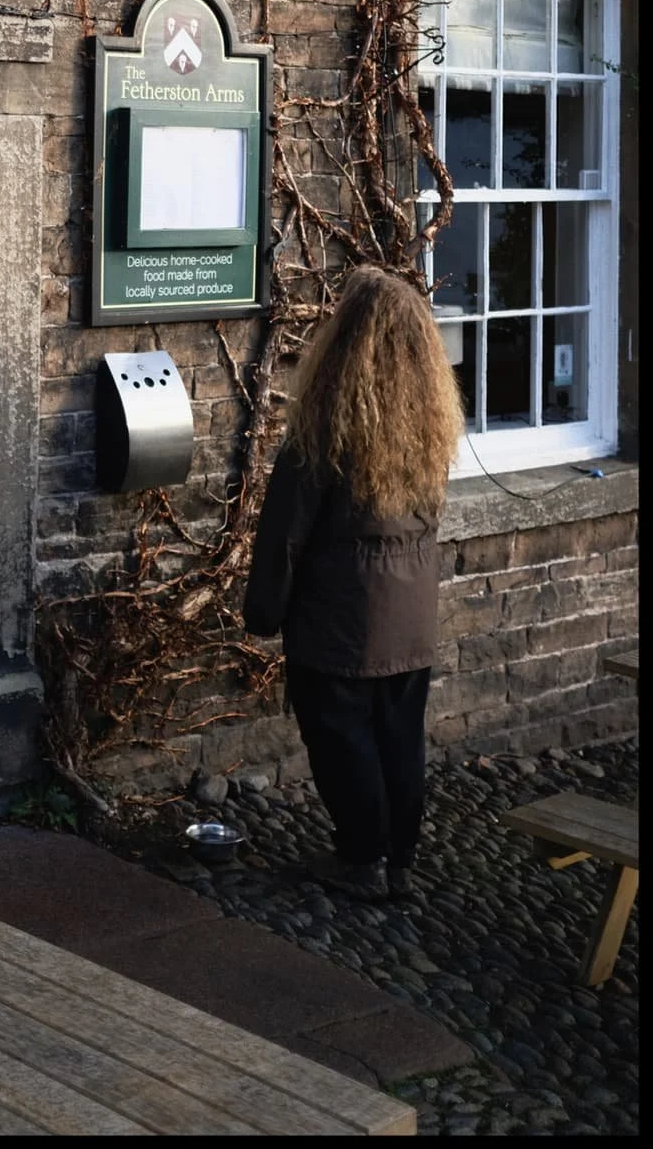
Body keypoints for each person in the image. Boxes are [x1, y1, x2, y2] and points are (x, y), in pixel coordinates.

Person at [242, 265, 465, 902]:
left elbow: (284, 537)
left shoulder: (321, 433)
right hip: (411, 618)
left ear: (345, 343)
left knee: (341, 741)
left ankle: (363, 858)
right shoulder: (432, 431)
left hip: (338, 619)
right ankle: (399, 862)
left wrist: (263, 613)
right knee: (399, 739)